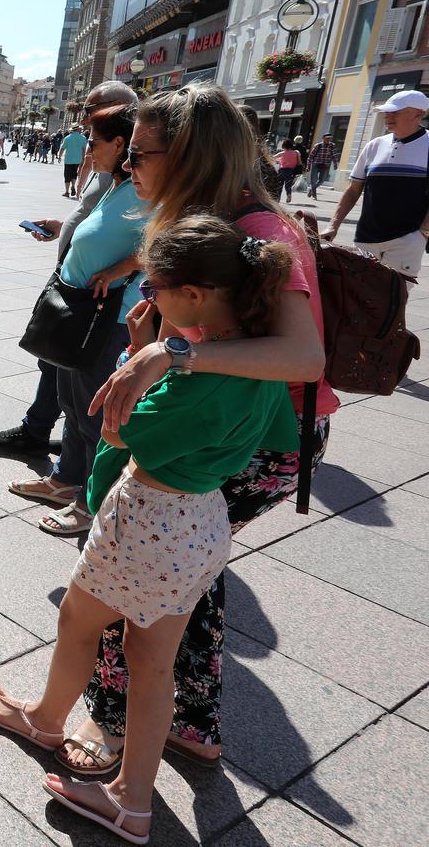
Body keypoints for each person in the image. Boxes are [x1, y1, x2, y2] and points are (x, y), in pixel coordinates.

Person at [0, 215, 297, 845]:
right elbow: (268, 437)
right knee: (153, 663)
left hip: (150, 521)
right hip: (201, 519)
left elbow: (118, 430)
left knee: (79, 618)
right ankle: (131, 798)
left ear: (198, 295)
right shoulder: (259, 363)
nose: (149, 299)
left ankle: (49, 720)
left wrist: (134, 356)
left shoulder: (195, 380)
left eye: (158, 290)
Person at [67, 82, 334, 777]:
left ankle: (115, 717)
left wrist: (172, 350)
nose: (131, 168)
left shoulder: (261, 232)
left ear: (188, 156)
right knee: (187, 569)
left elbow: (304, 357)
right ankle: (190, 719)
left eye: (144, 154)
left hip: (258, 435)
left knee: (142, 564)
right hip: (225, 419)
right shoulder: (204, 218)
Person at [6, 101, 148, 537]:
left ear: (120, 143)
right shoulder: (116, 184)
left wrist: (126, 266)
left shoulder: (147, 189)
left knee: (91, 413)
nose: (88, 148)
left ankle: (90, 501)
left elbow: (170, 237)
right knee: (70, 401)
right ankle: (65, 481)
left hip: (108, 317)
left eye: (94, 140)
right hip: (78, 308)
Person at [0, 82, 138, 457]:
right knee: (57, 367)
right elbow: (93, 217)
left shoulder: (136, 174)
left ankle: (65, 457)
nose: (85, 120)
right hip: (76, 286)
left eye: (93, 111)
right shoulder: (111, 169)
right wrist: (62, 227)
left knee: (79, 380)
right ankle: (52, 444)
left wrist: (121, 267)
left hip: (101, 300)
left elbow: (163, 233)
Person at [323, 88, 429, 289]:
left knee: (391, 304)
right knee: (357, 301)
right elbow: (354, 190)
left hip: (405, 241)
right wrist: (333, 225)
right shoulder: (374, 145)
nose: (388, 116)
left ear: (418, 113)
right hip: (366, 239)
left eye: (395, 111)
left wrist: (423, 231)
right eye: (387, 111)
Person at [60, 122, 88, 198]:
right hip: (78, 159)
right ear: (78, 129)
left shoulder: (68, 138)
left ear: (72, 130)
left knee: (67, 175)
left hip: (68, 159)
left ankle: (66, 191)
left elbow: (62, 148)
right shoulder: (83, 138)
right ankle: (73, 185)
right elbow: (84, 149)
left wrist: (59, 156)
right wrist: (83, 158)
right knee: (74, 173)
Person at [306, 130, 338, 196]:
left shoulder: (332, 146)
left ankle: (311, 189)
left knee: (321, 181)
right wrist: (308, 166)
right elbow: (311, 156)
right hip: (316, 164)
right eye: (327, 138)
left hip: (325, 165)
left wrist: (335, 164)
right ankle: (314, 195)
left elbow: (334, 155)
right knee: (314, 180)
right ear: (323, 138)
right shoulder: (318, 146)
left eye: (329, 138)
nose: (328, 140)